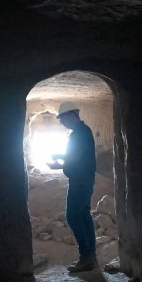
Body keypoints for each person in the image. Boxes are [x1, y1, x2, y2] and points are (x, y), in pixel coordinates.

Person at [47, 101, 98, 272]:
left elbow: (75, 159)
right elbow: (77, 155)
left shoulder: (78, 134)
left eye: (62, 118)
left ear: (71, 115)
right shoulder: (83, 131)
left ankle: (86, 257)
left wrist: (58, 165)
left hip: (80, 181)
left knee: (73, 216)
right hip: (85, 180)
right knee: (84, 215)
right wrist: (61, 155)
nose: (61, 122)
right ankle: (91, 256)